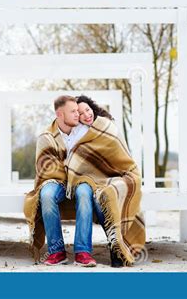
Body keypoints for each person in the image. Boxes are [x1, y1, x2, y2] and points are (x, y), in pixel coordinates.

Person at [69, 95, 146, 267]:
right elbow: (75, 160)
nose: (86, 115)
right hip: (86, 178)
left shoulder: (107, 126)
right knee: (88, 194)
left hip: (114, 176)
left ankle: (115, 246)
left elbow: (121, 156)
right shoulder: (77, 132)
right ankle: (88, 251)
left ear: (92, 108)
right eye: (80, 113)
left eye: (87, 110)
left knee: (105, 197)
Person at [24, 95, 100, 267]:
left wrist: (75, 170)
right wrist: (68, 169)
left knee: (84, 192)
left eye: (77, 111)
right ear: (59, 114)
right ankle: (57, 252)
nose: (77, 114)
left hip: (81, 178)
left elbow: (89, 161)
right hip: (55, 180)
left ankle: (83, 252)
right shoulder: (46, 136)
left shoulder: (84, 131)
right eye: (72, 111)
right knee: (47, 194)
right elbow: (45, 169)